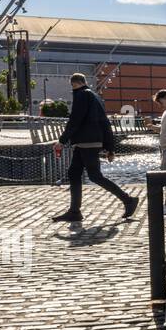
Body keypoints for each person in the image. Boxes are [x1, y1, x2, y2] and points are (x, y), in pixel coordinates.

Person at [52, 73, 139, 223]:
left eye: (72, 86)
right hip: (88, 142)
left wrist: (62, 140)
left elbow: (75, 119)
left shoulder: (81, 95)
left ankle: (128, 200)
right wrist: (110, 147)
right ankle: (74, 211)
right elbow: (105, 122)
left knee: (94, 176)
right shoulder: (95, 96)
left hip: (86, 142)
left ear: (74, 84)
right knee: (74, 173)